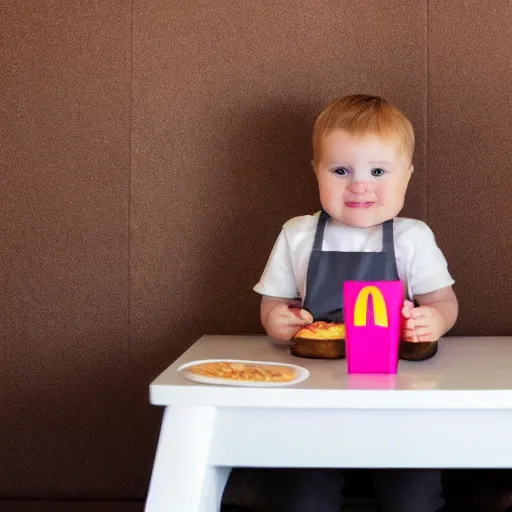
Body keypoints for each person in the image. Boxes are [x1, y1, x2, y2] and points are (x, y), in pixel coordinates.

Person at [253, 94, 458, 512]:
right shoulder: (299, 234)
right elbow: (274, 302)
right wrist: (277, 320)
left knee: (413, 497)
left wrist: (432, 321)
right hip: (313, 391)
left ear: (407, 176)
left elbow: (444, 301)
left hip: (398, 391)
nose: (360, 185)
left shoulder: (412, 237)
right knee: (302, 496)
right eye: (341, 170)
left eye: (378, 170)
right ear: (317, 173)